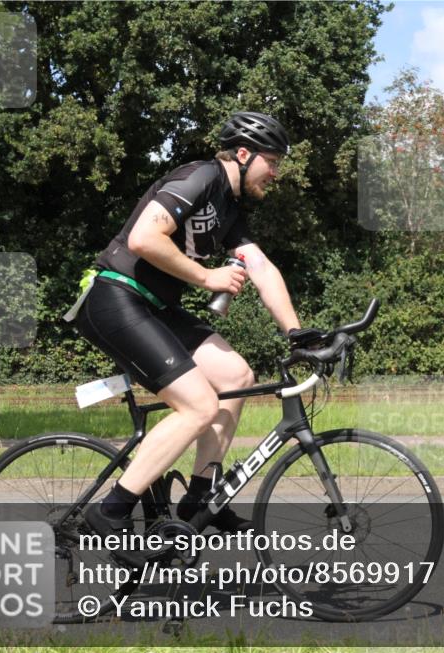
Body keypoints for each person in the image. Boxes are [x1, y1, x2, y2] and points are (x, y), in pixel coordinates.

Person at [72, 112, 300, 555]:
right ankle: (110, 512)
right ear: (242, 153)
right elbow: (143, 238)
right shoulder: (199, 176)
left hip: (156, 307)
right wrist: (207, 277)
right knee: (199, 404)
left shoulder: (230, 210)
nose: (275, 172)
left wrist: (298, 334)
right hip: (116, 295)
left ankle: (201, 499)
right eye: (271, 161)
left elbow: (262, 268)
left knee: (236, 376)